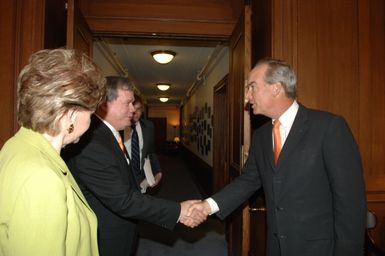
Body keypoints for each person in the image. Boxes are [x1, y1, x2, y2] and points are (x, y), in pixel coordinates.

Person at [189, 58, 367, 255]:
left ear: (276, 88)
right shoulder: (262, 136)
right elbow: (248, 181)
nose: (247, 96)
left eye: (252, 87)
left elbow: (350, 202)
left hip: (318, 247)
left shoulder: (329, 127)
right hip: (276, 246)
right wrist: (207, 206)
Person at [62, 76, 205, 256]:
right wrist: (179, 211)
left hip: (123, 227)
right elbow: (122, 200)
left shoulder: (109, 134)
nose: (133, 110)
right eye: (128, 103)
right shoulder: (93, 143)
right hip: (106, 236)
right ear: (105, 104)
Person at [0, 49, 106, 255]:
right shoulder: (40, 177)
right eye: (91, 113)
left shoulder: (17, 144)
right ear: (71, 115)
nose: (91, 122)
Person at [122, 93, 162, 193]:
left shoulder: (148, 126)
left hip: (142, 177)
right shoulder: (118, 128)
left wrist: (158, 171)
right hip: (123, 178)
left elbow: (151, 151)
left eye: (139, 109)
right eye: (133, 108)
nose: (135, 112)